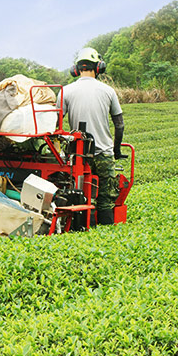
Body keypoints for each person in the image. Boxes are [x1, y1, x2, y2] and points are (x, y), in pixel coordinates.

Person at [60, 47, 125, 225]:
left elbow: (56, 123)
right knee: (105, 198)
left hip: (78, 154)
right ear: (99, 67)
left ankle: (81, 225)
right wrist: (116, 150)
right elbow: (119, 125)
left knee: (79, 193)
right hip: (104, 153)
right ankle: (106, 227)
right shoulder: (108, 91)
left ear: (76, 69)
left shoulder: (66, 91)